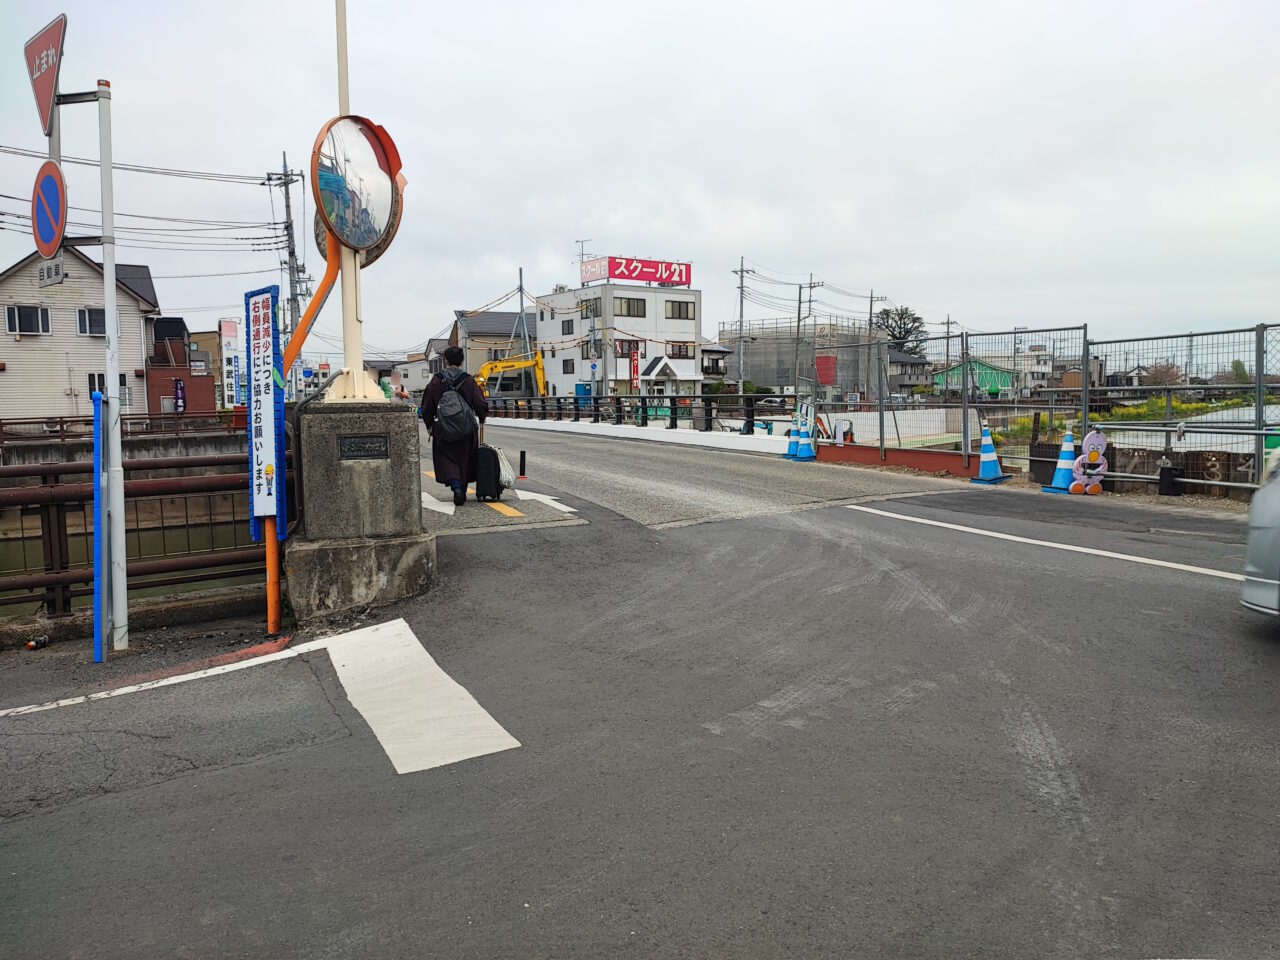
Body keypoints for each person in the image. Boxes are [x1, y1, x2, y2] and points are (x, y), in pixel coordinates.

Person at [420, 346, 488, 506]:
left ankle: (456, 486)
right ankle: (462, 489)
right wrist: (482, 416)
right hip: (466, 429)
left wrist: (430, 425)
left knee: (446, 457)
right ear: (462, 360)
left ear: (446, 361)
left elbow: (427, 407)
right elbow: (480, 402)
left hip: (443, 428)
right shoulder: (469, 380)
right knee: (465, 458)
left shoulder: (436, 380)